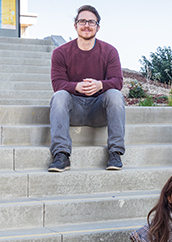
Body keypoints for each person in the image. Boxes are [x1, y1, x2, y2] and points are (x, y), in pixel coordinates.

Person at [48, 4, 125, 172]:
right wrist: (77, 87)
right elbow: (57, 84)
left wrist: (100, 85)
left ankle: (115, 153)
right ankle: (61, 154)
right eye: (82, 21)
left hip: (99, 111)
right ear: (75, 25)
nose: (87, 25)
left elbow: (118, 82)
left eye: (92, 22)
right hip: (73, 110)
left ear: (98, 27)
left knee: (115, 95)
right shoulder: (61, 53)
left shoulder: (110, 51)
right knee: (59, 96)